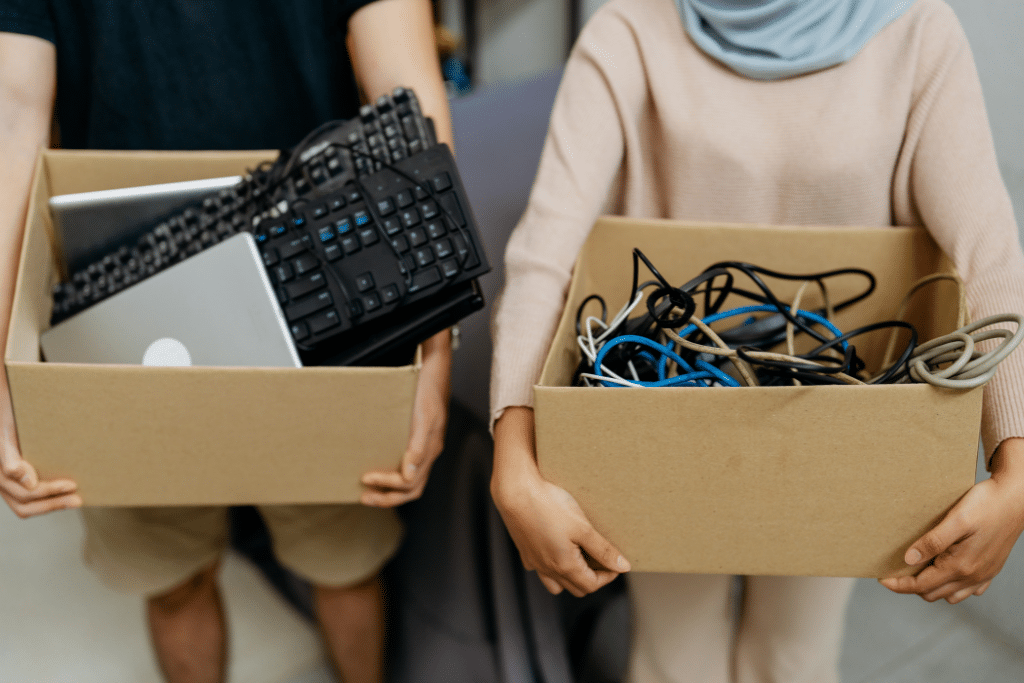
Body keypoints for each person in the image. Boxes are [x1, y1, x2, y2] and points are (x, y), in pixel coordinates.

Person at [489, 0, 1024, 681]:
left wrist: (1016, 463)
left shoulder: (917, 34)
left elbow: (990, 255)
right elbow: (543, 253)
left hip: (841, 426)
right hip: (658, 423)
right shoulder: (627, 29)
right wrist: (513, 448)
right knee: (672, 657)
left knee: (793, 655)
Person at [0, 1, 454, 682]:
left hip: (325, 279)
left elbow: (406, 88)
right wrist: (5, 367)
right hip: (121, 301)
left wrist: (436, 349)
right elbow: (12, 118)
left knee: (344, 565)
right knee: (173, 576)